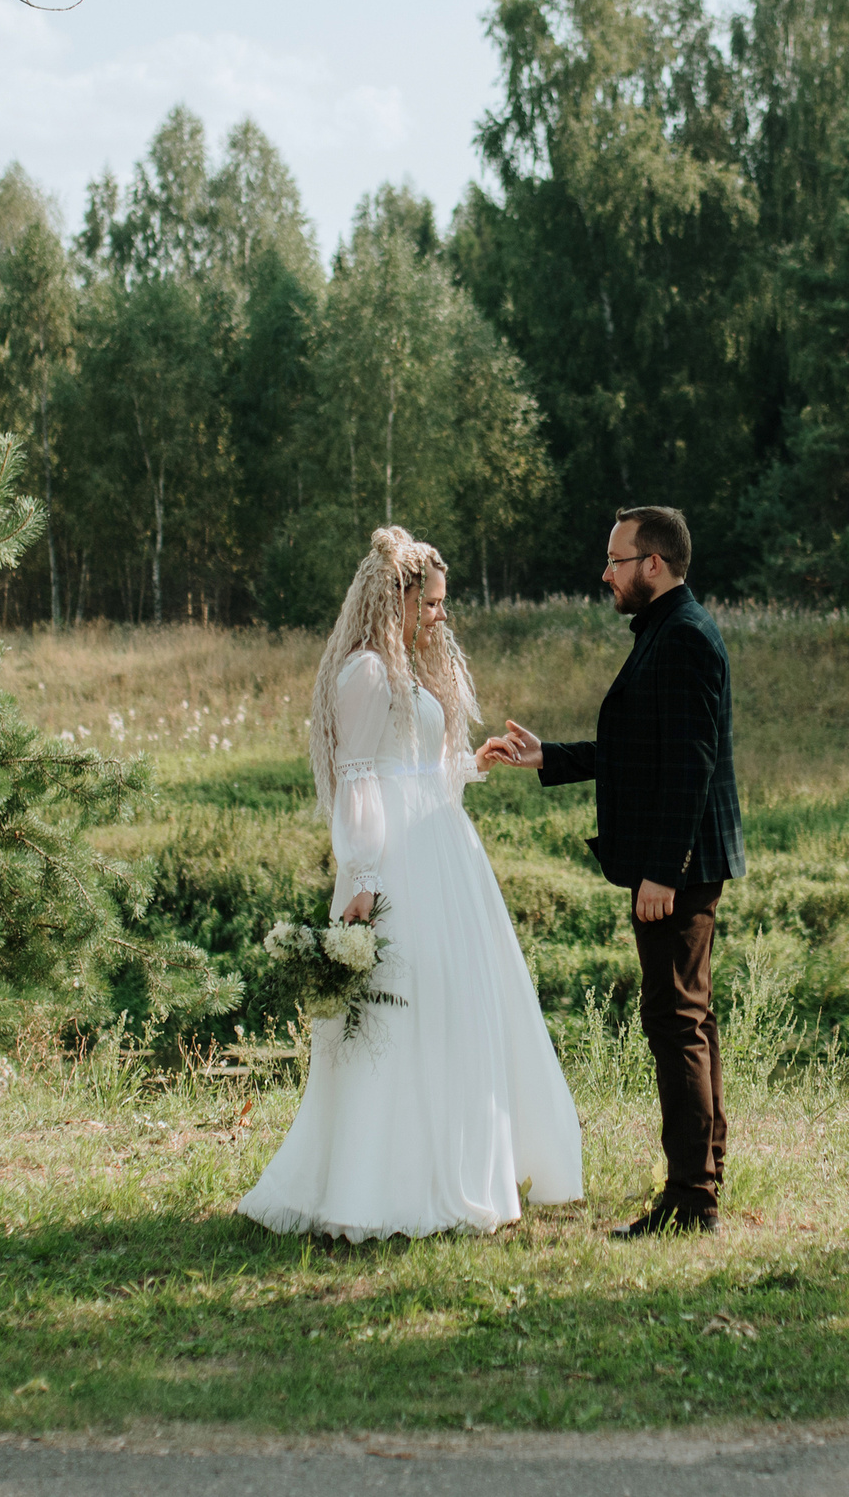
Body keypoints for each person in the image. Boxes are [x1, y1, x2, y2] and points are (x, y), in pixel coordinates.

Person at [238, 527, 584, 1241]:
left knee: (451, 1007)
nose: (440, 616)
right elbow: (360, 782)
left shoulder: (411, 673)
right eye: (431, 603)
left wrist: (470, 763)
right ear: (393, 598)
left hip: (442, 851)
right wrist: (363, 881)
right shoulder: (364, 672)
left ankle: (448, 1162)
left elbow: (417, 771)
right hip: (395, 859)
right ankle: (378, 1183)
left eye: (442, 604)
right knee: (395, 1015)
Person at [479, 505, 744, 1238]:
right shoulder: (666, 629)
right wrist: (550, 758)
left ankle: (692, 1200)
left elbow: (689, 765)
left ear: (651, 563)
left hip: (678, 868)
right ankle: (701, 1178)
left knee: (675, 1020)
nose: (606, 573)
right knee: (687, 1016)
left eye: (616, 559)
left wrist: (663, 870)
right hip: (678, 861)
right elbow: (641, 748)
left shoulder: (685, 637)